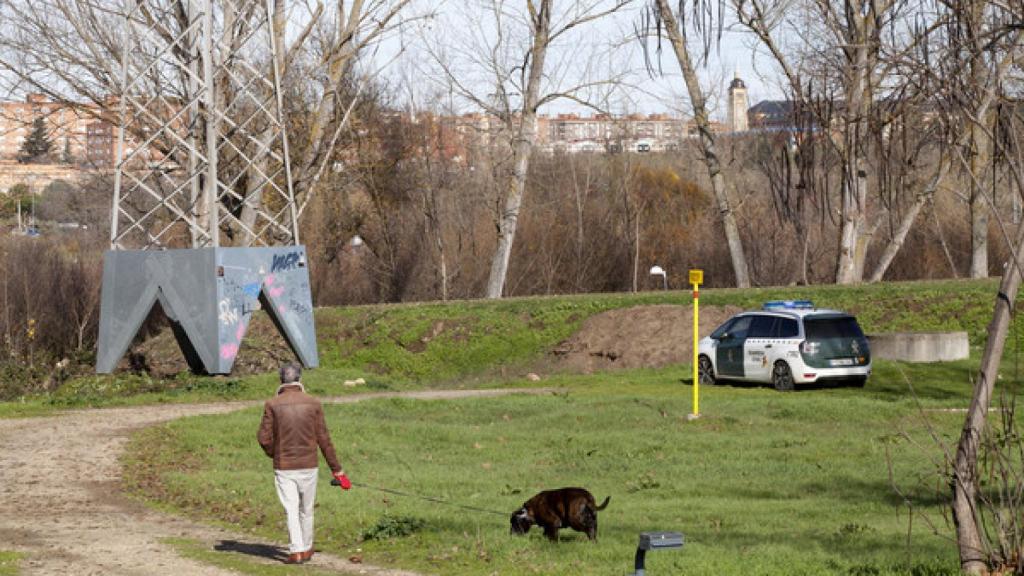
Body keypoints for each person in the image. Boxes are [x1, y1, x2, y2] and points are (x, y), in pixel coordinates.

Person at [258, 362, 351, 564]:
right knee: (306, 509)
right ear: (299, 379)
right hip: (309, 464)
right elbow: (324, 439)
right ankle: (307, 548)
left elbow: (264, 438)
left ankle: (296, 551)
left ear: (281, 380)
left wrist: (275, 453)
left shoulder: (272, 404)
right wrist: (338, 471)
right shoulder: (313, 403)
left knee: (291, 509)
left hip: (284, 466)